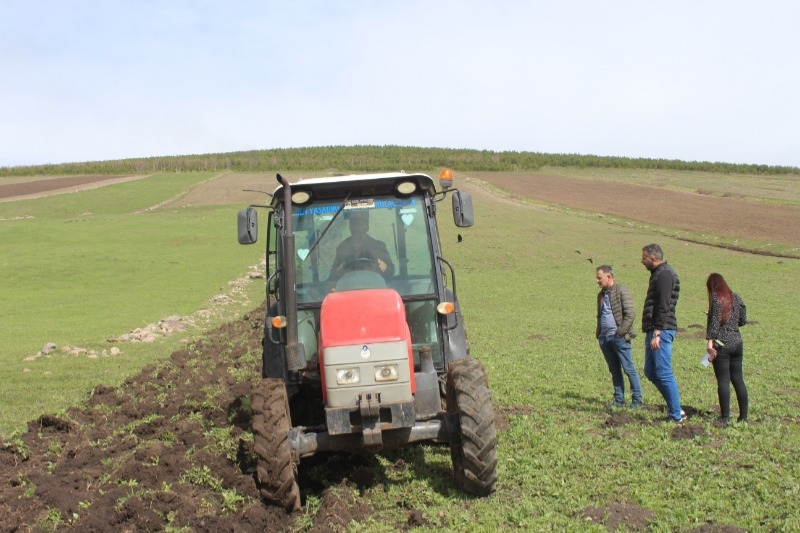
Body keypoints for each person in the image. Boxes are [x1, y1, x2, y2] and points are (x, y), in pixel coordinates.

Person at [640, 244, 685, 423]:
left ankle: (676, 415)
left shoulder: (665, 275)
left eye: (644, 258)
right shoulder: (658, 274)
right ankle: (676, 408)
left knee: (664, 372)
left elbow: (664, 305)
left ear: (653, 258)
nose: (642, 261)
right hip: (654, 328)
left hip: (662, 330)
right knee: (650, 371)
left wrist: (657, 332)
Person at [595, 265, 643, 409]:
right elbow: (600, 315)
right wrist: (599, 334)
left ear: (609, 277)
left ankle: (637, 400)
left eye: (599, 278)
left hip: (619, 338)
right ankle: (619, 400)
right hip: (604, 338)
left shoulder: (622, 290)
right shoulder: (600, 295)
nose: (597, 280)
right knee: (614, 370)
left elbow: (630, 313)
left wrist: (620, 332)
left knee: (628, 368)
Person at [705, 273, 749, 427]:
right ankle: (743, 417)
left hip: (721, 343)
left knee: (723, 379)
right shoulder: (735, 297)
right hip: (737, 342)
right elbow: (743, 319)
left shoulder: (716, 298)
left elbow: (714, 324)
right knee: (738, 379)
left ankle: (725, 417)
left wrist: (709, 343)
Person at [329, 210, 394, 280]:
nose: (357, 227)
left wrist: (384, 267)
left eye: (360, 223)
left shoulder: (378, 246)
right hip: (349, 285)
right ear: (350, 227)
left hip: (374, 284)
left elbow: (390, 271)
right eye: (354, 223)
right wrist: (338, 272)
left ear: (367, 226)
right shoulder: (343, 248)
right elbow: (333, 275)